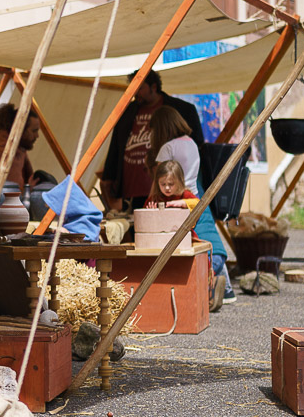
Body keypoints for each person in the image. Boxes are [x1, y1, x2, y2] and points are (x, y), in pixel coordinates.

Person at [145, 105, 232, 306]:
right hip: (193, 197)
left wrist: (151, 202)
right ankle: (221, 286)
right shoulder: (191, 143)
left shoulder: (167, 148)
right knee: (204, 243)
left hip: (176, 203)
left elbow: (158, 179)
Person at [99, 68, 204, 212]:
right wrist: (109, 177)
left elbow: (198, 145)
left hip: (168, 191)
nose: (136, 93)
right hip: (132, 187)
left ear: (153, 87)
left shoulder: (180, 109)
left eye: (140, 88)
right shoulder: (127, 112)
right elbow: (115, 147)